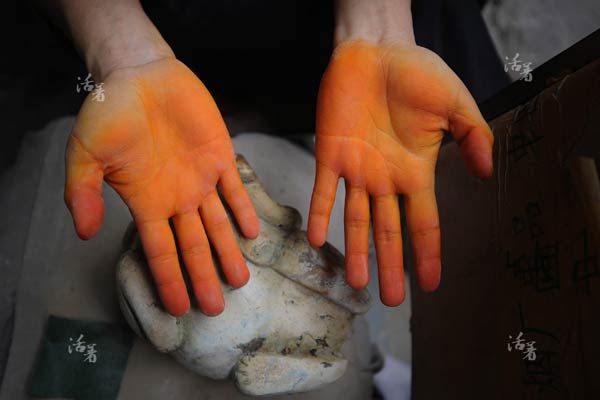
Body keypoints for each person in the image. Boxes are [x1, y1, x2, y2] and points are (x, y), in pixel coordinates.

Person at [39, 0, 494, 317]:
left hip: (342, 27)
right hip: (146, 28)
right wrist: (121, 53)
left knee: (480, 201)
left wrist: (380, 29)